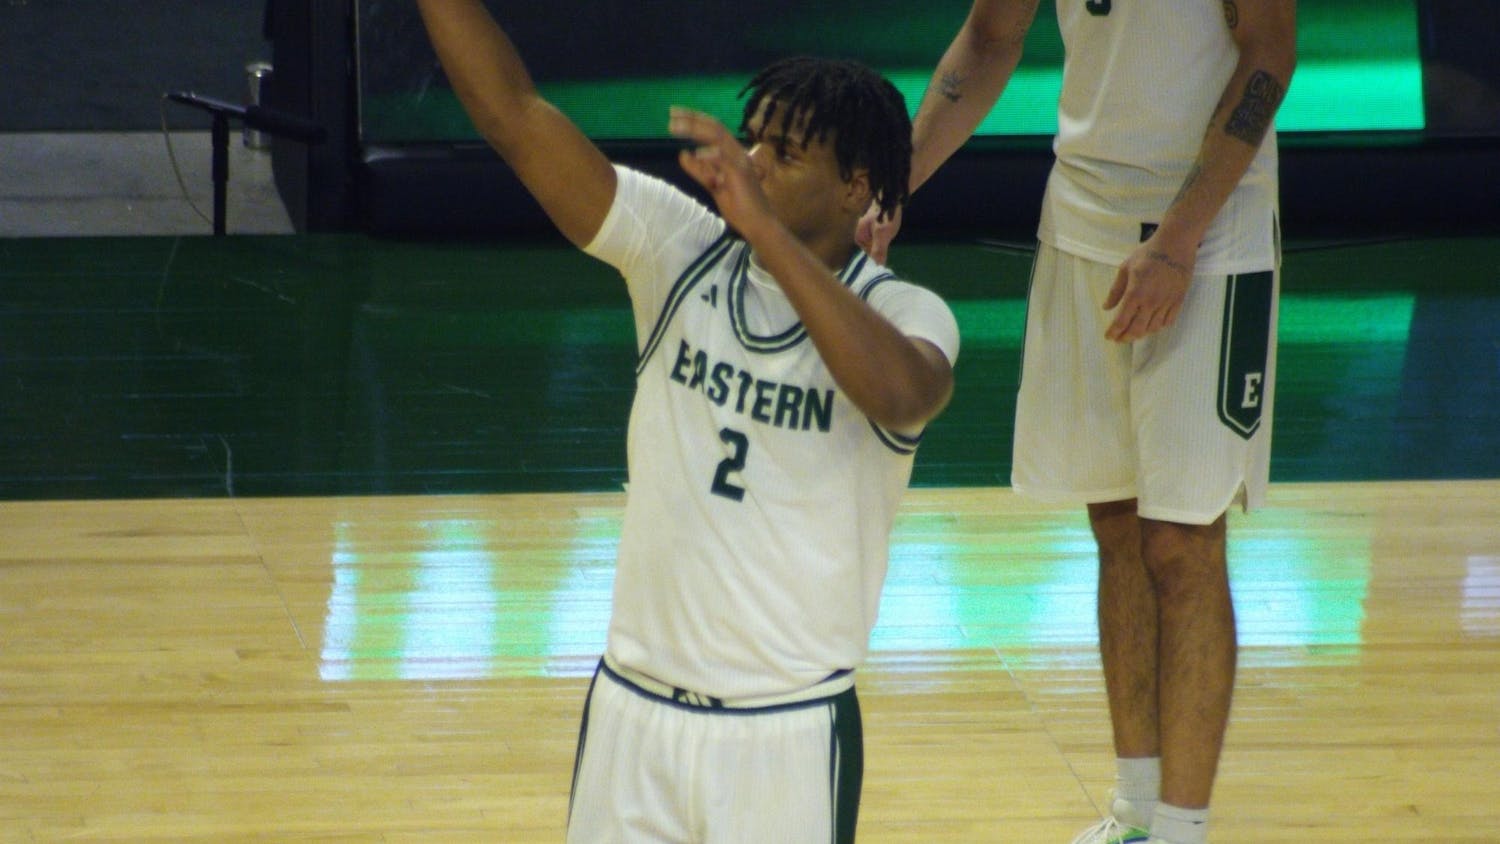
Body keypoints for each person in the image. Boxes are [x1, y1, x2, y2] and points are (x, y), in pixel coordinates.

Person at [415, 3, 959, 842]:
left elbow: (902, 396)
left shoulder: (905, 310)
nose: (751, 162)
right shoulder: (679, 251)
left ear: (857, 186)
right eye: (751, 140)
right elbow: (515, 119)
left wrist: (766, 230)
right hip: (634, 711)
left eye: (784, 152)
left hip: (787, 732)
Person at [859, 1, 1295, 842]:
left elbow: (1269, 55)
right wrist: (893, 185)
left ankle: (1181, 829)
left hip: (1211, 230)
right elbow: (991, 37)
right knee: (1117, 522)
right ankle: (1135, 812)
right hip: (1084, 215)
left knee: (1183, 538)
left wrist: (1177, 240)